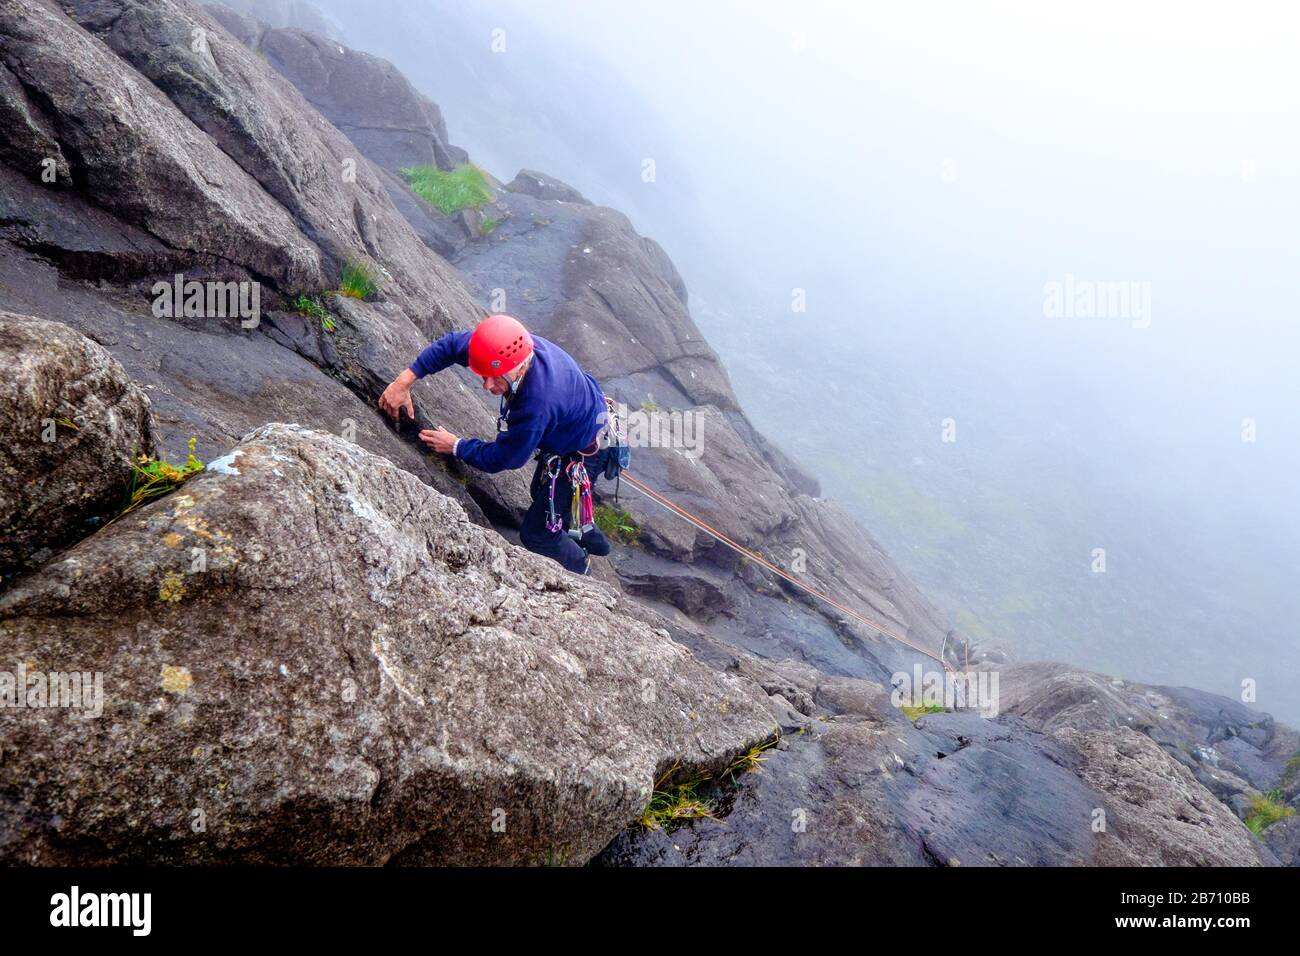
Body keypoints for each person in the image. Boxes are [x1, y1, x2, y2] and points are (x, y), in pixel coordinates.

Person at [378, 313, 617, 575]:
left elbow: (507, 458)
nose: (487, 385)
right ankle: (579, 528)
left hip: (584, 450)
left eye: (496, 378)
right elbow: (450, 345)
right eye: (484, 375)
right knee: (540, 495)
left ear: (521, 367)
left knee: (537, 534)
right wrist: (403, 382)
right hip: (577, 420)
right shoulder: (501, 350)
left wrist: (456, 446)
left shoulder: (536, 404)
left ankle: (581, 566)